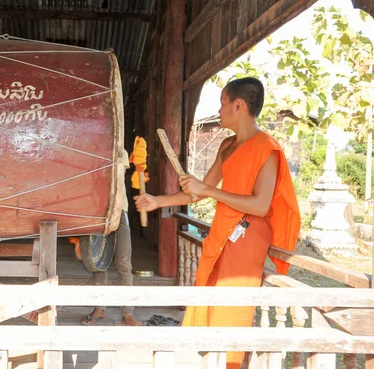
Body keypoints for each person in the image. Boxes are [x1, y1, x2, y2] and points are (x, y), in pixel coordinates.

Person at [134, 77, 301, 368]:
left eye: (223, 103)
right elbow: (198, 193)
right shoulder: (227, 145)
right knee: (209, 310)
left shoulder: (267, 149)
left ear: (239, 105)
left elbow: (260, 206)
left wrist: (207, 189)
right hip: (222, 235)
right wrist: (157, 201)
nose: (219, 109)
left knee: (231, 315)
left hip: (247, 242)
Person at [80, 149, 144, 327]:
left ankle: (127, 314)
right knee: (100, 261)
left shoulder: (119, 151)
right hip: (97, 210)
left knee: (124, 263)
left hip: (119, 210)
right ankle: (100, 308)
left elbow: (116, 176)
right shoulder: (92, 149)